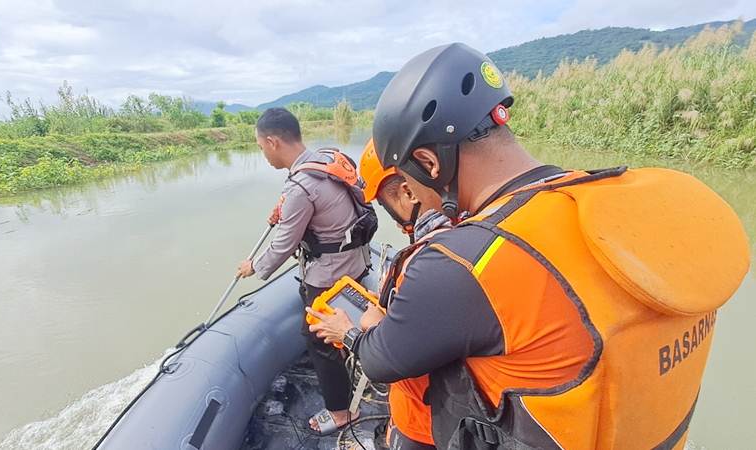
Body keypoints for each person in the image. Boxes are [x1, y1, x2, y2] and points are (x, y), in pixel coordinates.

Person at [308, 43, 750, 449]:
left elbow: (384, 360)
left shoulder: (460, 264)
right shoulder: (616, 205)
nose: (415, 199)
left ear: (429, 162)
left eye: (407, 182)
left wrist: (356, 328)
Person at [236, 107, 375, 435]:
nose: (263, 155)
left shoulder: (300, 187)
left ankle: (340, 413)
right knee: (335, 327)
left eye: (260, 147)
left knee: (318, 339)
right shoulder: (327, 159)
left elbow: (283, 246)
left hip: (328, 274)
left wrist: (253, 266)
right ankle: (353, 362)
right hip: (355, 261)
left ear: (272, 142)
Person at [357, 138, 449, 450]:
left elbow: (389, 360)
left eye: (386, 204)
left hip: (423, 423)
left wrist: (360, 329)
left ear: (407, 193)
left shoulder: (426, 261)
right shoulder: (469, 232)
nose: (396, 224)